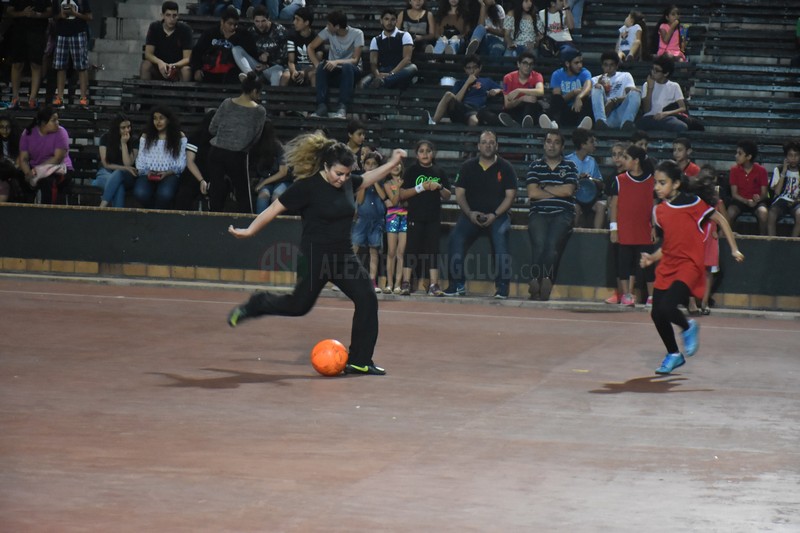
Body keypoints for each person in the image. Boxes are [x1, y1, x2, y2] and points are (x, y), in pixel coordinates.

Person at [226, 132, 406, 376]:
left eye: (346, 174)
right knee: (298, 307)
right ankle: (259, 303)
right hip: (314, 257)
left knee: (367, 299)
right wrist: (249, 230)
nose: (343, 179)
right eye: (338, 173)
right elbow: (274, 208)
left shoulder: (348, 183)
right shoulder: (307, 187)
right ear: (325, 166)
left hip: (343, 257)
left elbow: (365, 178)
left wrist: (392, 163)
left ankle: (360, 360)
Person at [640, 160, 744, 375]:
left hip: (689, 265)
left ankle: (688, 327)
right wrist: (652, 258)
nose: (657, 187)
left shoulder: (693, 203)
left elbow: (721, 220)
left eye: (662, 183)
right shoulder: (659, 211)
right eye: (655, 183)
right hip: (668, 265)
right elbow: (668, 245)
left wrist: (734, 249)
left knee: (668, 307)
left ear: (676, 183)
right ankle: (673, 354)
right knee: (657, 313)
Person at [444, 130, 516, 299]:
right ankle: (456, 284)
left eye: (491, 142)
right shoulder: (467, 166)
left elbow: (510, 196)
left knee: (501, 241)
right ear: (478, 146)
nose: (488, 146)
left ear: (497, 146)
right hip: (471, 215)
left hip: (498, 216)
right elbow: (459, 194)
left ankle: (503, 286)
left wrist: (495, 214)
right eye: (484, 142)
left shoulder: (506, 167)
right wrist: (470, 213)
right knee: (455, 239)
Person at [526, 129, 577, 301]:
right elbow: (532, 193)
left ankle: (542, 279)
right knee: (539, 245)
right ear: (544, 144)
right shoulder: (535, 166)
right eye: (549, 141)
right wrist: (557, 191)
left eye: (556, 142)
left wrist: (544, 187)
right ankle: (538, 280)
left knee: (551, 244)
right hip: (538, 213)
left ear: (562, 147)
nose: (552, 145)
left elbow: (568, 191)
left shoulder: (570, 166)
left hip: (563, 214)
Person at [207, 72, 267, 213]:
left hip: (216, 152)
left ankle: (212, 222)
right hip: (238, 155)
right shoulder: (259, 111)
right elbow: (256, 137)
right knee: (243, 194)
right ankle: (247, 224)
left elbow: (212, 128)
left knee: (215, 192)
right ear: (254, 91)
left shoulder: (226, 103)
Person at [400, 139, 451, 296]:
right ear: (416, 154)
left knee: (433, 250)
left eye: (428, 151)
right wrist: (421, 187)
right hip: (415, 216)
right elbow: (402, 194)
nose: (425, 154)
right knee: (411, 248)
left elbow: (448, 195)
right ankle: (406, 283)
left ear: (433, 153)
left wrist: (439, 187)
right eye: (421, 151)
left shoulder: (439, 171)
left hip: (433, 217)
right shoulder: (411, 171)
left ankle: (434, 285)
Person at [608, 144, 655, 307]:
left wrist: (654, 227)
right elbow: (614, 206)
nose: (622, 160)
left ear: (636, 161)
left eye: (626, 157)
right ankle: (627, 295)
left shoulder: (652, 181)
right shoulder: (619, 180)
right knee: (624, 264)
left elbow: (654, 207)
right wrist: (614, 228)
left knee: (647, 264)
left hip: (644, 229)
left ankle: (652, 296)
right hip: (625, 229)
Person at [308, 10, 364, 119]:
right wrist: (317, 65)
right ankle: (321, 106)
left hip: (352, 70)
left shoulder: (357, 33)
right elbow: (310, 47)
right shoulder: (328, 31)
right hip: (334, 71)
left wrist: (336, 62)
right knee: (322, 66)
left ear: (337, 26)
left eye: (329, 24)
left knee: (347, 67)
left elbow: (355, 60)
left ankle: (342, 108)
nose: (327, 26)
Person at [133, 106, 187, 209]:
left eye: (161, 118)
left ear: (168, 120)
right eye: (155, 118)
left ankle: (156, 214)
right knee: (140, 193)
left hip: (170, 174)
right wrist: (147, 172)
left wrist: (168, 172)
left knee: (164, 194)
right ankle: (153, 212)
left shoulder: (179, 136)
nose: (158, 122)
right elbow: (140, 160)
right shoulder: (146, 136)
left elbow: (182, 162)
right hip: (148, 173)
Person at [427, 54, 503, 126]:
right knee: (448, 94)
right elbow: (457, 100)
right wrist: (467, 83)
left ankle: (469, 134)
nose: (472, 70)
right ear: (465, 69)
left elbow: (505, 88)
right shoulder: (459, 83)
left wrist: (498, 90)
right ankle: (433, 123)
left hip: (474, 110)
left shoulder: (486, 81)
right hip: (459, 109)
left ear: (480, 68)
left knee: (474, 121)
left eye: (474, 67)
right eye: (469, 68)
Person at [18, 107, 72, 204]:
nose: (57, 123)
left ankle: (47, 210)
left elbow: (57, 158)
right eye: (54, 120)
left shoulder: (61, 132)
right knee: (19, 177)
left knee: (47, 181)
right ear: (43, 123)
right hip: (34, 168)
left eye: (57, 119)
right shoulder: (28, 133)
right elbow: (24, 159)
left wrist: (37, 170)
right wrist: (28, 173)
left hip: (58, 168)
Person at [190, 6, 257, 84]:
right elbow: (197, 52)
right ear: (222, 22)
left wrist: (232, 38)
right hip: (209, 72)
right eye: (230, 24)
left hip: (232, 74)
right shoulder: (210, 33)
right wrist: (197, 69)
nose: (232, 27)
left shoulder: (243, 34)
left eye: (235, 24)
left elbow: (250, 54)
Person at [352, 151, 387, 293]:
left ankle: (372, 280)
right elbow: (360, 201)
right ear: (363, 165)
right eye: (368, 164)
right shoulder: (360, 181)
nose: (371, 167)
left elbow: (383, 197)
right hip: (362, 220)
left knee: (374, 250)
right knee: (354, 248)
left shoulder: (382, 181)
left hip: (377, 221)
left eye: (374, 164)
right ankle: (349, 278)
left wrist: (374, 181)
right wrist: (365, 182)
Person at [7, 0, 52, 109]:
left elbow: (50, 12)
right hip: (19, 30)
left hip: (37, 31)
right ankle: (15, 97)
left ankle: (32, 98)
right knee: (17, 63)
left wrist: (37, 15)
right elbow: (9, 11)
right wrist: (23, 13)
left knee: (36, 64)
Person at [360, 9, 417, 90]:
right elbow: (373, 63)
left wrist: (391, 74)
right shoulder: (376, 40)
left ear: (396, 21)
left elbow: (407, 59)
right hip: (382, 71)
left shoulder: (404, 35)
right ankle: (382, 83)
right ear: (381, 21)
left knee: (412, 68)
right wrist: (377, 75)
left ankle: (384, 83)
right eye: (386, 19)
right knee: (363, 83)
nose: (389, 22)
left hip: (400, 71)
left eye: (392, 19)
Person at [539, 47, 593, 130]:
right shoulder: (557, 74)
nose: (580, 65)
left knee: (587, 98)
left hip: (578, 110)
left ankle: (582, 126)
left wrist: (579, 97)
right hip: (564, 111)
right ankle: (553, 124)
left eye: (581, 62)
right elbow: (558, 98)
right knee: (556, 98)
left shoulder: (584, 72)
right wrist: (573, 93)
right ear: (567, 64)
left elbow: (588, 87)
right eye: (576, 63)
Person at [234, 6, 288, 87]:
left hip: (274, 67)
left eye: (263, 21)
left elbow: (284, 56)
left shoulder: (280, 30)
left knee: (277, 74)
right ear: (253, 20)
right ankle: (252, 76)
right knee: (236, 49)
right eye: (257, 21)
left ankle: (272, 94)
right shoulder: (251, 31)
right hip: (257, 66)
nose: (260, 25)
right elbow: (248, 51)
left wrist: (268, 62)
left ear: (268, 19)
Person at [52, 0, 92, 109]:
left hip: (78, 32)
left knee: (81, 67)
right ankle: (60, 98)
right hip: (61, 33)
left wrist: (75, 14)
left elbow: (89, 16)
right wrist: (61, 15)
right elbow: (54, 16)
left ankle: (83, 98)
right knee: (60, 66)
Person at [93, 113, 138, 208]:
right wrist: (125, 168)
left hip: (126, 176)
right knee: (118, 186)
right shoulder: (105, 138)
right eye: (123, 128)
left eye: (128, 127)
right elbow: (106, 164)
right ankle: (117, 215)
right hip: (106, 172)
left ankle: (101, 208)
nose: (127, 130)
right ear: (116, 128)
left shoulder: (134, 141)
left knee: (119, 174)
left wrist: (124, 144)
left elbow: (128, 164)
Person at [603, 141, 629, 305]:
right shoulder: (611, 177)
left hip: (628, 222)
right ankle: (618, 293)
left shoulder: (631, 176)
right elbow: (609, 201)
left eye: (620, 154)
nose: (617, 158)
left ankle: (629, 293)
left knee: (628, 260)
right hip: (615, 223)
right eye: (614, 154)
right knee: (615, 260)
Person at [140, 1, 192, 82]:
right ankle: (145, 90)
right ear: (162, 15)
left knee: (186, 70)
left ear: (178, 16)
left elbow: (187, 58)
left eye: (174, 15)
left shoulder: (185, 29)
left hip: (177, 69)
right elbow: (148, 54)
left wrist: (174, 65)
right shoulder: (155, 27)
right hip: (158, 68)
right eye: (168, 15)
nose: (171, 19)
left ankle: (182, 90)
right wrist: (159, 62)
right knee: (145, 65)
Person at [174, 110, 215, 211]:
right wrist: (201, 180)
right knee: (185, 192)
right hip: (195, 173)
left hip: (215, 173)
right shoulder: (196, 137)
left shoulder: (223, 139)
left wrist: (213, 179)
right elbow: (190, 161)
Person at [636, 54, 688, 132]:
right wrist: (650, 88)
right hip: (649, 118)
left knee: (681, 127)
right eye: (652, 69)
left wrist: (665, 113)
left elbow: (682, 108)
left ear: (666, 73)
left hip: (666, 117)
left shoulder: (674, 86)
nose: (653, 72)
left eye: (656, 70)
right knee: (639, 125)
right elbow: (647, 110)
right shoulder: (646, 85)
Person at [726, 139, 768, 235]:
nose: (736, 156)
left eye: (740, 154)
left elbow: (764, 194)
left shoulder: (761, 170)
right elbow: (734, 194)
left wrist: (758, 199)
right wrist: (746, 201)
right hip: (740, 200)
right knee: (730, 212)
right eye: (736, 153)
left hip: (756, 202)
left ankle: (763, 239)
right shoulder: (734, 170)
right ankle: (727, 238)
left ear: (749, 157)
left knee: (763, 213)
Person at [590, 51, 641, 131]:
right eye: (606, 65)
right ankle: (601, 122)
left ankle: (627, 124)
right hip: (605, 113)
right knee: (596, 87)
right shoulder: (595, 79)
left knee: (636, 93)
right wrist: (599, 84)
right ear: (602, 66)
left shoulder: (625, 75)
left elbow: (630, 94)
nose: (608, 68)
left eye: (611, 65)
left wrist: (614, 101)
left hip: (620, 111)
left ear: (616, 66)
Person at [565, 128, 604, 229]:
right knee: (575, 208)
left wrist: (591, 179)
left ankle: (596, 235)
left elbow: (600, 183)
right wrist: (577, 179)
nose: (594, 144)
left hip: (590, 198)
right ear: (583, 145)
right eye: (591, 142)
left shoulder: (592, 161)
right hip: (574, 198)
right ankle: (573, 233)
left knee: (601, 206)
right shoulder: (567, 161)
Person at [498, 51, 543, 128]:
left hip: (530, 110)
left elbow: (540, 91)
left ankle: (520, 126)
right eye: (525, 63)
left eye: (531, 64)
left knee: (532, 103)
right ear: (518, 64)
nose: (528, 66)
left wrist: (519, 90)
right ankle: (518, 125)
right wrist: (522, 98)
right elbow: (507, 105)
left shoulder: (537, 76)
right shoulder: (508, 78)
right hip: (514, 109)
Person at [254, 120, 290, 214]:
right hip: (266, 177)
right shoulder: (256, 146)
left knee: (276, 196)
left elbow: (283, 172)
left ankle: (276, 222)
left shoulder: (278, 146)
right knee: (263, 196)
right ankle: (260, 221)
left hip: (283, 179)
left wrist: (264, 182)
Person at [382, 160, 407, 294]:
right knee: (391, 251)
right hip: (392, 217)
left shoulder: (406, 182)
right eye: (393, 164)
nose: (396, 167)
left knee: (400, 252)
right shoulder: (387, 184)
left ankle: (398, 284)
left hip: (405, 217)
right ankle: (389, 283)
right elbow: (394, 200)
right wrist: (398, 188)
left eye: (398, 164)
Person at [767, 140, 800, 237]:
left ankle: (792, 242)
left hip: (797, 201)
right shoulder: (779, 169)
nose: (793, 158)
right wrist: (783, 173)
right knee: (772, 213)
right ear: (786, 157)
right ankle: (772, 241)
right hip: (782, 199)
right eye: (790, 155)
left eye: (796, 155)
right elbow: (777, 192)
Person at [279, 7, 317, 87]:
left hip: (311, 67)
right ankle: (281, 95)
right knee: (285, 76)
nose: (294, 22)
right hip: (295, 66)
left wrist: (305, 72)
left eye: (297, 20)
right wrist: (293, 72)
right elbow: (291, 61)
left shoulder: (316, 38)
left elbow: (317, 62)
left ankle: (315, 95)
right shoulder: (292, 36)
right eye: (294, 19)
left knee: (314, 76)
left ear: (306, 22)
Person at [0, 114, 26, 202]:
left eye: (8, 127)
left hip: (15, 170)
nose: (5, 130)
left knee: (17, 176)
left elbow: (20, 159)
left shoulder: (18, 140)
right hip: (2, 171)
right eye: (2, 127)